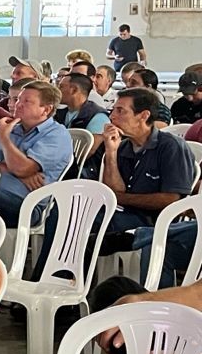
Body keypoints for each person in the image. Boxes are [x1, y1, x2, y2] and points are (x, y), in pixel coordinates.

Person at [82, 87, 195, 254]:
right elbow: (116, 191)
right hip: (123, 212)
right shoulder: (124, 146)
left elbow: (171, 199)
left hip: (153, 220)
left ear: (144, 115)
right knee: (67, 214)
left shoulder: (170, 146)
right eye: (113, 110)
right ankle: (59, 275)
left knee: (84, 223)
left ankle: (67, 275)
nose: (112, 116)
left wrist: (122, 198)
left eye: (120, 111)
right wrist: (111, 152)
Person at [0, 80, 73, 226]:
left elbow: (24, 169)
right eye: (18, 100)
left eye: (27, 101)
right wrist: (15, 173)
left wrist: (4, 138)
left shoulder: (57, 135)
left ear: (46, 110)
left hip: (27, 205)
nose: (18, 104)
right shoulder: (11, 128)